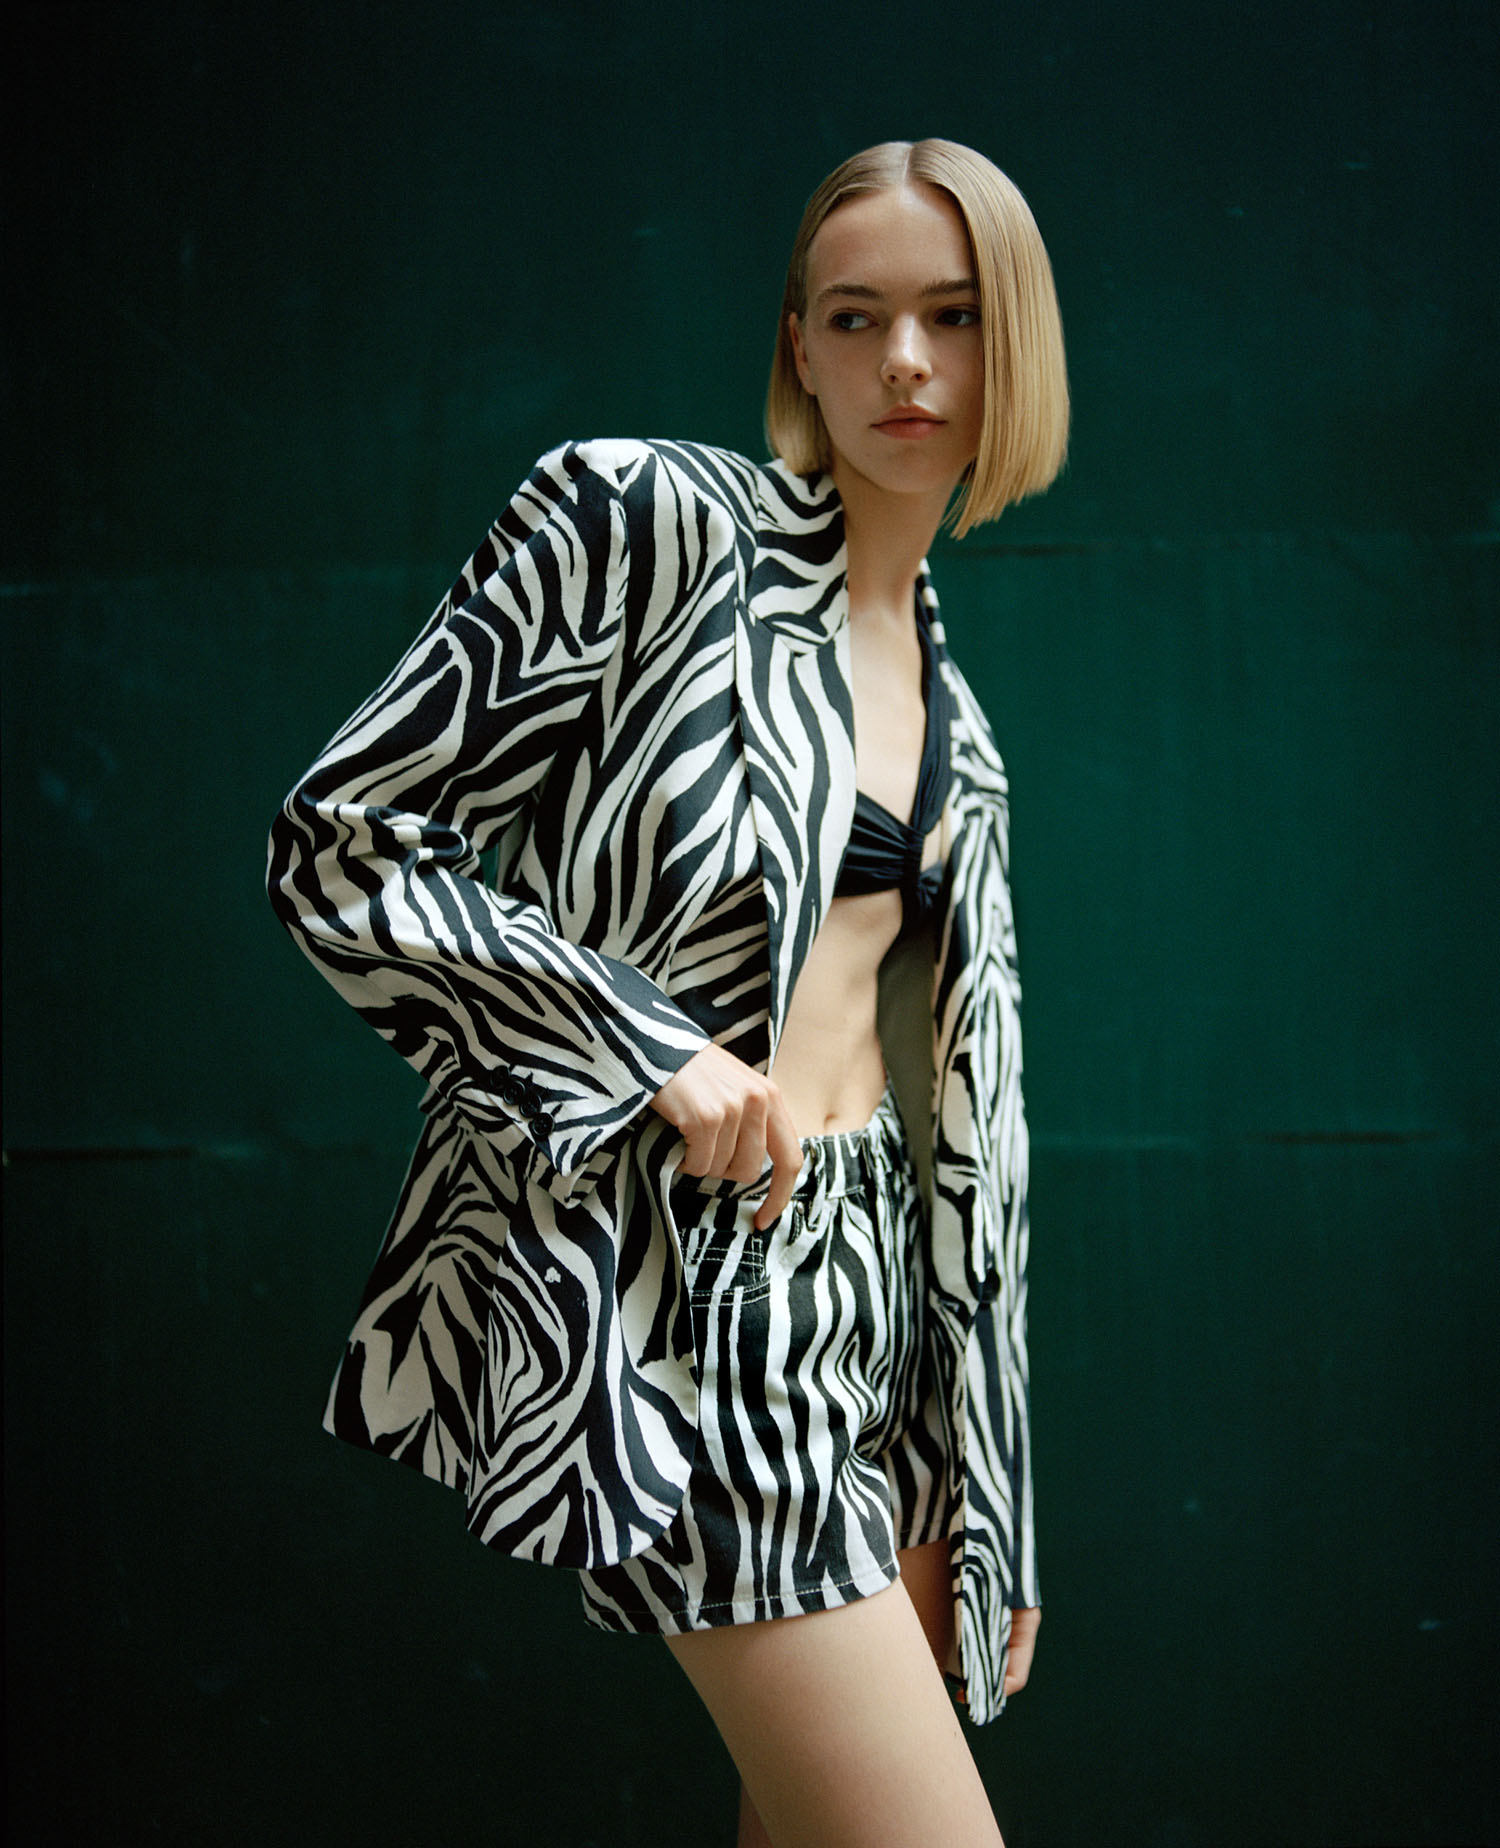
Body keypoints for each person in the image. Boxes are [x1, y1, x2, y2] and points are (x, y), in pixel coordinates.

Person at [267, 137, 1068, 1848]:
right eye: (854, 318)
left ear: (1018, 347)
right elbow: (346, 842)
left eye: (952, 316)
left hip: (871, 1330)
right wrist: (640, 1048)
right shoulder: (644, 527)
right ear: (798, 348)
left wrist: (980, 1483)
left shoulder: (967, 725)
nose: (905, 363)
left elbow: (972, 1141)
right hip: (693, 1296)